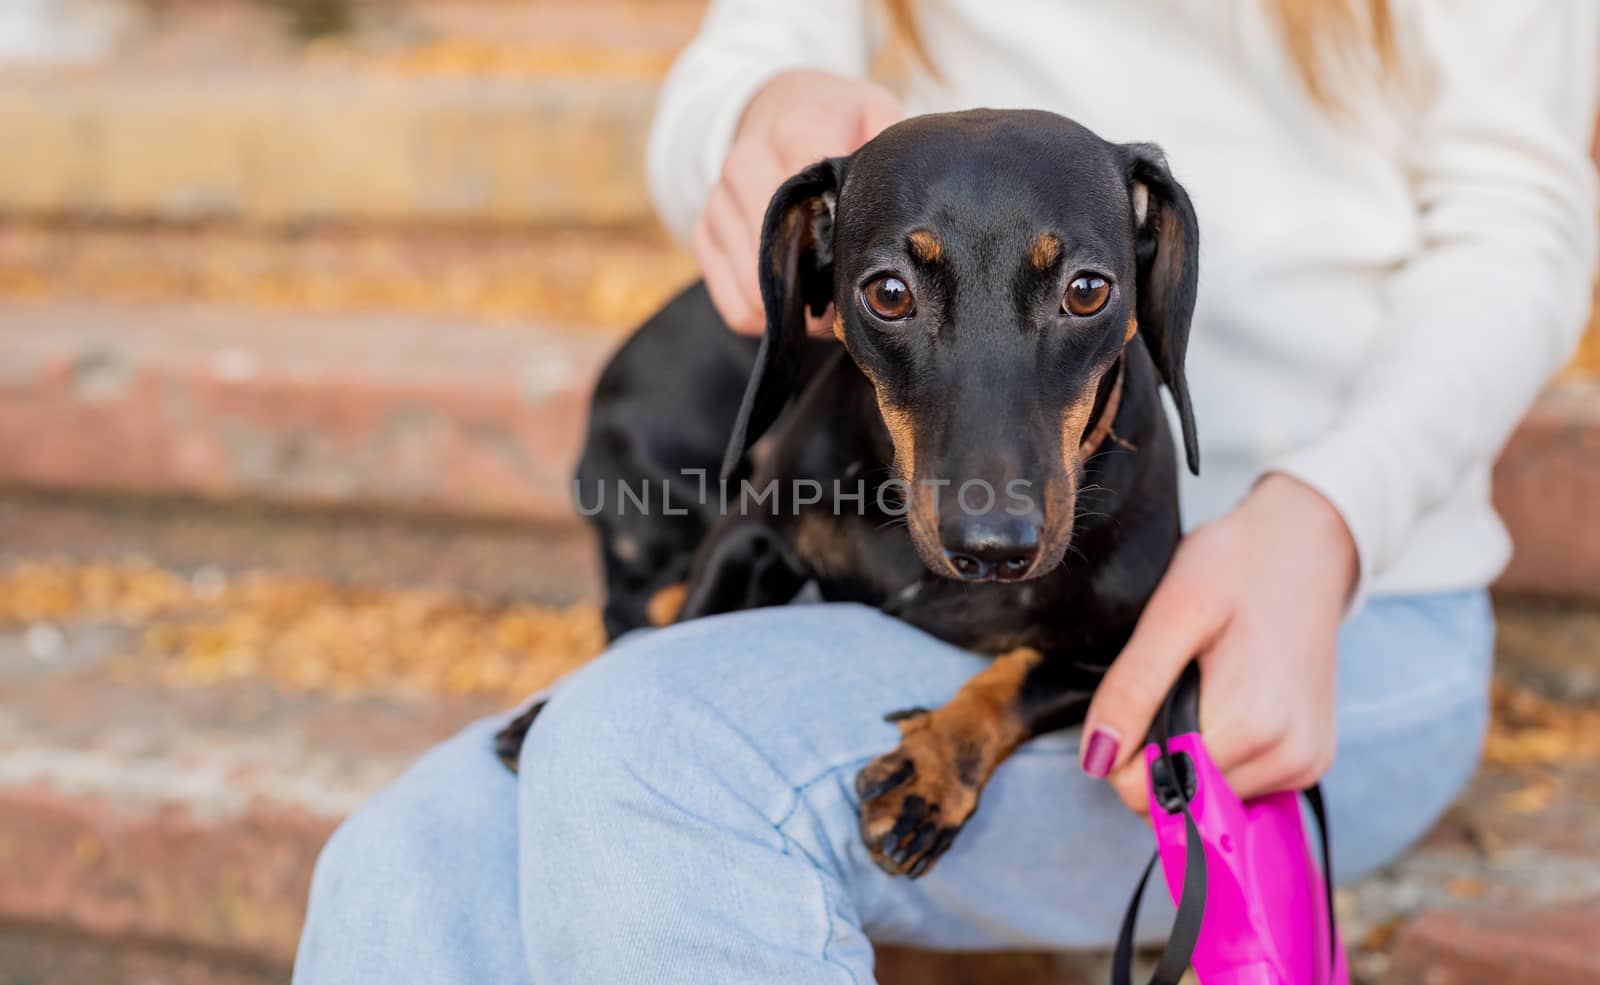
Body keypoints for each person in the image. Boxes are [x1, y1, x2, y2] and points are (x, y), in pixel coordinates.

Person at [294, 2, 1598, 982]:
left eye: (1089, 290)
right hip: (906, 605)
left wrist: (1331, 515)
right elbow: (749, 62)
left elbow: (1519, 220)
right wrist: (756, 111)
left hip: (1330, 622)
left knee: (647, 762)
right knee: (400, 854)